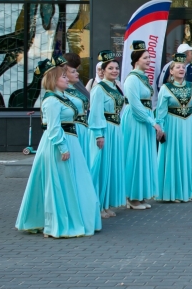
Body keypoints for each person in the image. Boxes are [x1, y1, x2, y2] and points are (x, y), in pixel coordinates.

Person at [15, 58, 102, 238]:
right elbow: (53, 128)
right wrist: (63, 147)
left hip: (71, 140)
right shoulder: (51, 101)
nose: (65, 79)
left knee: (74, 181)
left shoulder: (61, 97)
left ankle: (72, 219)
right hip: (60, 143)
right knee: (59, 184)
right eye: (62, 76)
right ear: (54, 80)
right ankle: (56, 224)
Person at [157, 54, 192, 202]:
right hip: (172, 125)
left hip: (188, 125)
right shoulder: (166, 88)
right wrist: (160, 128)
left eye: (183, 67)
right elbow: (161, 110)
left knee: (188, 154)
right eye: (177, 67)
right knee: (174, 155)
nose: (181, 69)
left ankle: (189, 188)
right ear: (171, 71)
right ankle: (174, 192)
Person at [122, 41, 162, 210]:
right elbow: (135, 105)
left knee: (143, 156)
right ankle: (132, 196)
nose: (149, 60)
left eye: (149, 57)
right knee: (135, 156)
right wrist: (152, 122)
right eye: (146, 58)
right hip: (135, 120)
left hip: (145, 120)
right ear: (136, 60)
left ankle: (140, 194)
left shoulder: (143, 78)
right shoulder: (132, 79)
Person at [88, 51, 127, 218]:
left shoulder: (115, 87)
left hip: (115, 129)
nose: (114, 71)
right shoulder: (99, 89)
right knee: (102, 167)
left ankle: (106, 204)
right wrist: (98, 134)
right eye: (110, 68)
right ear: (102, 71)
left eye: (116, 68)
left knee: (111, 167)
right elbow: (95, 113)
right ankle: (98, 205)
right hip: (104, 130)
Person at [62, 53, 94, 171]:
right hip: (73, 129)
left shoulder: (76, 85)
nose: (78, 73)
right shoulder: (61, 92)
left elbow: (88, 101)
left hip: (83, 128)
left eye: (76, 70)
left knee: (83, 164)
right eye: (73, 71)